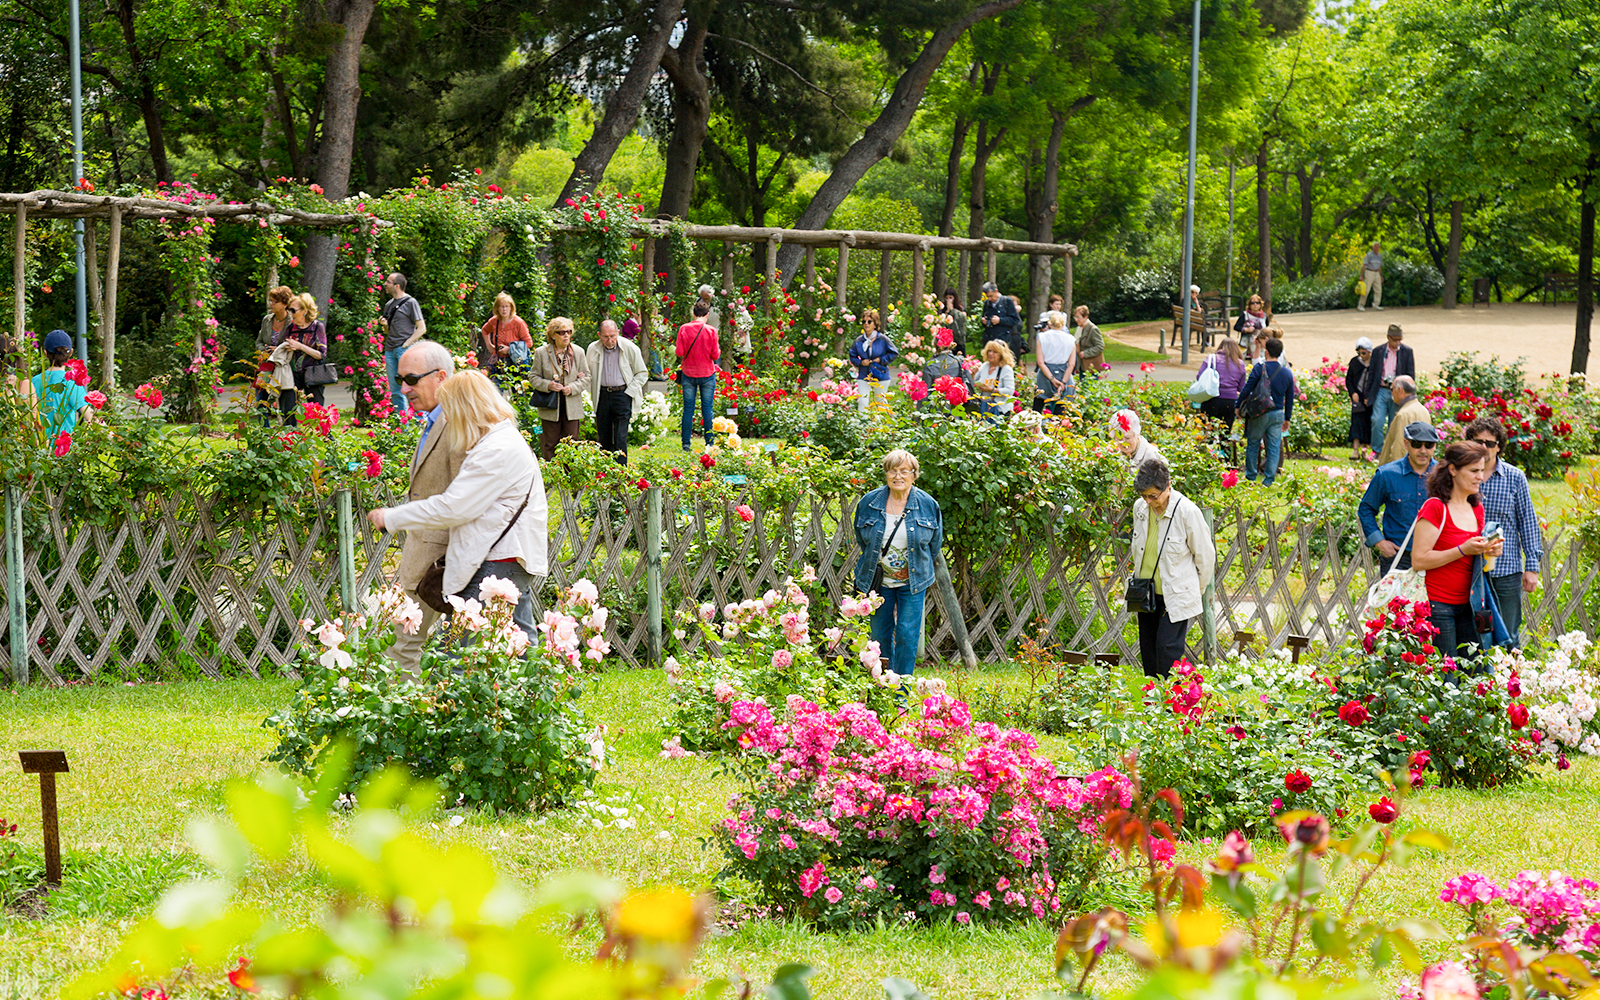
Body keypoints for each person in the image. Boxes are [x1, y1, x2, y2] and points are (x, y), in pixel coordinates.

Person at [369, 369, 547, 644]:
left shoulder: (495, 450)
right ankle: (536, 687)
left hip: (496, 561)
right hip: (509, 559)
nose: (448, 419)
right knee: (521, 646)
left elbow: (452, 507)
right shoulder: (502, 440)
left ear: (466, 408)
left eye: (449, 410)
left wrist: (391, 517)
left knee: (458, 653)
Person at [383, 342, 466, 673]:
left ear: (442, 377)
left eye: (412, 378)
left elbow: (466, 499)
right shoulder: (435, 420)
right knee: (403, 646)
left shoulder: (459, 424)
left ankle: (402, 720)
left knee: (402, 648)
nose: (404, 388)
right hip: (426, 556)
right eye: (400, 378)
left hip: (440, 563)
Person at [852, 449, 944, 680]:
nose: (898, 476)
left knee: (906, 632)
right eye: (892, 471)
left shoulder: (927, 505)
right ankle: (883, 685)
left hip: (912, 581)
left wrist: (912, 566)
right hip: (878, 581)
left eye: (904, 471)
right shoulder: (869, 502)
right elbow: (862, 539)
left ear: (914, 475)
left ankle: (902, 687)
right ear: (885, 474)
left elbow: (934, 545)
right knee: (880, 635)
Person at [1412, 441, 1502, 663]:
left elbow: (1476, 560)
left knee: (1476, 671)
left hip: (1473, 605)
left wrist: (1491, 551)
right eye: (1473, 471)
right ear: (1452, 470)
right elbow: (1419, 559)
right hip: (1438, 606)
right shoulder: (1435, 507)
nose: (1480, 476)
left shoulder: (1476, 508)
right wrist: (1463, 550)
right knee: (1446, 675)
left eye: (1482, 470)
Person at [1129, 459, 1215, 678]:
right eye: (1144, 496)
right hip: (1145, 591)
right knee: (1148, 651)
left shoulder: (1187, 512)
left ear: (1168, 486)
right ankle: (1152, 701)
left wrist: (1195, 590)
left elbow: (1205, 558)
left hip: (1175, 594)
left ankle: (1171, 704)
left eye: (1153, 496)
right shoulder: (1140, 508)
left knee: (1167, 651)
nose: (1148, 501)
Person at [1465, 416, 1542, 647]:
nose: (1483, 447)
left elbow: (1527, 522)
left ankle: (1510, 679)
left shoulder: (1515, 477)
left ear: (1499, 446)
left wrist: (1532, 567)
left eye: (1489, 443)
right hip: (1472, 568)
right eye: (1477, 441)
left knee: (1508, 633)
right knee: (1479, 631)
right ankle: (1483, 678)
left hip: (1507, 570)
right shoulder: (1463, 476)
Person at [1358, 421, 1438, 573]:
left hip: (1435, 558)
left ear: (1434, 446)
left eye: (1428, 445)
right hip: (1398, 557)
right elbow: (1366, 508)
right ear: (1406, 444)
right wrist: (1379, 541)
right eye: (1417, 444)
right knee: (1394, 598)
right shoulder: (1387, 475)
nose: (1423, 450)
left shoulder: (1445, 475)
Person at [586, 319, 649, 464]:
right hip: (602, 395)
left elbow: (642, 373)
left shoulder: (629, 347)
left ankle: (621, 471)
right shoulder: (593, 348)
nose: (610, 340)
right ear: (599, 335)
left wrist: (629, 392)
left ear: (618, 333)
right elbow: (588, 372)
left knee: (621, 437)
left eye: (613, 336)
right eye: (606, 337)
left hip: (622, 394)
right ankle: (605, 470)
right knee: (603, 436)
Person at [530, 316, 590, 462]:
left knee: (572, 443)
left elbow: (587, 377)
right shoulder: (541, 352)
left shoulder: (578, 352)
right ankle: (552, 477)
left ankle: (569, 479)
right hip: (550, 405)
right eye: (562, 332)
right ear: (552, 335)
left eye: (569, 332)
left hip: (572, 405)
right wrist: (548, 385)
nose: (566, 335)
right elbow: (533, 377)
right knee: (550, 443)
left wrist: (572, 387)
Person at [1238, 336, 1295, 486]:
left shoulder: (1259, 368)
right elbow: (1290, 399)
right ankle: (1269, 479)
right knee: (1274, 446)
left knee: (1253, 443)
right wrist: (1287, 418)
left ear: (1266, 351)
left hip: (1259, 412)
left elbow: (1247, 389)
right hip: (1277, 413)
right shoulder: (1287, 373)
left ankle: (1250, 476)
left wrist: (1238, 406)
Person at [1361, 324, 1414, 452]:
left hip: (1398, 392)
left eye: (1399, 340)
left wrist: (1409, 395)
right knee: (1377, 420)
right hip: (1380, 389)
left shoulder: (1407, 351)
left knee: (1394, 423)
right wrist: (1367, 394)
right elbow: (1372, 374)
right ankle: (1377, 450)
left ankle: (1390, 451)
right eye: (1395, 339)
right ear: (1388, 337)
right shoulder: (1379, 351)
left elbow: (1411, 375)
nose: (1397, 342)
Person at [379, 273, 427, 412]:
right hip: (390, 351)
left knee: (413, 386)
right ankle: (402, 425)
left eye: (388, 282)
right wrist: (384, 325)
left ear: (397, 285)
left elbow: (421, 328)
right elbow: (389, 332)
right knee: (395, 389)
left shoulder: (411, 302)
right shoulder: (389, 304)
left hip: (404, 350)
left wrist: (405, 345)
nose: (385, 284)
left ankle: (420, 421)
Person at [676, 301, 720, 451]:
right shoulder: (712, 331)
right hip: (707, 374)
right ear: (707, 315)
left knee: (688, 409)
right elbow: (715, 354)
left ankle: (686, 444)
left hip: (688, 373)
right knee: (707, 409)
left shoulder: (683, 328)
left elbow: (679, 352)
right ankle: (709, 443)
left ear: (693, 314)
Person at [30, 329, 89, 438]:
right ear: (71, 352)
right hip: (65, 451)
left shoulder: (33, 382)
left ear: (45, 353)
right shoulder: (72, 382)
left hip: (38, 450)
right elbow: (90, 417)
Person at [283, 292, 329, 415]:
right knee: (289, 407)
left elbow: (321, 355)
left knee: (316, 409)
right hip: (292, 373)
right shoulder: (290, 328)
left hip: (313, 373)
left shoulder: (317, 327)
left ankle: (322, 434)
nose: (290, 314)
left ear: (304, 311)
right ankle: (290, 432)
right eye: (289, 310)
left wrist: (300, 346)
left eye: (293, 310)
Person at [255, 286, 294, 424]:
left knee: (286, 403)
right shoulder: (267, 320)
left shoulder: (293, 322)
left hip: (284, 366)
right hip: (266, 365)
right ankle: (264, 433)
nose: (270, 304)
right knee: (260, 398)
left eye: (274, 301)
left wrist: (277, 350)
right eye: (270, 301)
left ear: (284, 304)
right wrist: (263, 350)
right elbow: (259, 341)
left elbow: (294, 344)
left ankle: (288, 434)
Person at [849, 309, 897, 413]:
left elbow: (894, 353)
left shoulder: (883, 339)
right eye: (864, 321)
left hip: (881, 374)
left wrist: (881, 360)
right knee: (862, 400)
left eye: (869, 321)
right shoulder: (859, 341)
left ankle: (885, 427)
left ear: (875, 324)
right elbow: (852, 356)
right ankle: (863, 426)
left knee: (881, 402)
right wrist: (860, 363)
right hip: (864, 374)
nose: (866, 324)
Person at [1376, 376, 1430, 465]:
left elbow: (1399, 449)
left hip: (1402, 471)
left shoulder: (1404, 414)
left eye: (1392, 389)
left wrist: (1394, 473)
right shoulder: (1423, 410)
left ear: (1400, 390)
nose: (1391, 393)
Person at [1197, 337, 1248, 432]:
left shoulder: (1212, 359)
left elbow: (1199, 376)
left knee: (1208, 431)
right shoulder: (1240, 363)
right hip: (1230, 401)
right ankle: (1223, 447)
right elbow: (1241, 387)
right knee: (1225, 432)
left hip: (1211, 398)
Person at [1033, 311, 1078, 414]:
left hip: (1045, 373)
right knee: (1062, 406)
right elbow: (1071, 364)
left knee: (1038, 404)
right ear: (1063, 324)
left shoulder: (1042, 337)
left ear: (1049, 323)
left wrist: (1052, 379)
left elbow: (1040, 362)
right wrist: (1062, 382)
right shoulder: (1071, 339)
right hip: (1064, 373)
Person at [479, 292, 532, 378]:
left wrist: (510, 349)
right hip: (499, 361)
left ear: (511, 308)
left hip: (515, 362)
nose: (504, 309)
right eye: (501, 306)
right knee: (495, 388)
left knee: (518, 389)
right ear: (497, 308)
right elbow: (484, 330)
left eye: (507, 306)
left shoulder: (518, 322)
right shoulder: (494, 321)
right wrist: (489, 345)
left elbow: (529, 343)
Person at [981, 281, 1024, 371]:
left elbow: (1015, 320)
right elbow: (985, 317)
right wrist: (984, 321)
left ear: (996, 291)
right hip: (990, 338)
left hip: (1003, 339)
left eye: (991, 296)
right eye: (987, 296)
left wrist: (1000, 320)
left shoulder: (1007, 301)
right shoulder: (987, 303)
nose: (989, 298)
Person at [973, 340, 1016, 422]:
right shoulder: (985, 365)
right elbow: (974, 380)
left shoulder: (1006, 369)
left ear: (1001, 354)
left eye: (995, 352)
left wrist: (992, 390)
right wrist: (972, 374)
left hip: (1000, 410)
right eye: (989, 351)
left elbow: (1010, 391)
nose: (990, 354)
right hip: (985, 408)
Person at [1346, 337, 1374, 460]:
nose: (1361, 356)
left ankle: (1364, 451)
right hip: (1357, 397)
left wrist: (1370, 396)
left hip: (1369, 398)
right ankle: (1355, 450)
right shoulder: (1354, 362)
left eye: (1364, 353)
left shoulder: (1374, 364)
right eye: (1359, 353)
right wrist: (1353, 393)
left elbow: (1375, 380)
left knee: (1368, 424)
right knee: (1356, 423)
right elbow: (1349, 380)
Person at [1073, 305, 1103, 377]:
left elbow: (1100, 346)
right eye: (1075, 317)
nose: (1076, 320)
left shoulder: (1093, 329)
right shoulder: (1079, 329)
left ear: (1085, 316)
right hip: (1082, 367)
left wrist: (1086, 353)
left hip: (1091, 368)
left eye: (1078, 317)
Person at [939, 288, 968, 355]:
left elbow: (962, 318)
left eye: (950, 298)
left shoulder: (961, 307)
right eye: (947, 298)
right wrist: (947, 312)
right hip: (946, 341)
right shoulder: (942, 308)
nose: (948, 300)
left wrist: (952, 310)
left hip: (958, 340)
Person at [1357, 242, 1384, 311]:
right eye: (1375, 247)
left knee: (1378, 290)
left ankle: (1376, 305)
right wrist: (1361, 275)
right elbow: (1364, 265)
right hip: (1369, 272)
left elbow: (1380, 266)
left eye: (1378, 247)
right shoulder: (1369, 255)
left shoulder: (1379, 256)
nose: (1376, 248)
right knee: (1366, 289)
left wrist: (1381, 275)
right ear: (1373, 247)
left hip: (1377, 272)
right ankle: (1361, 305)